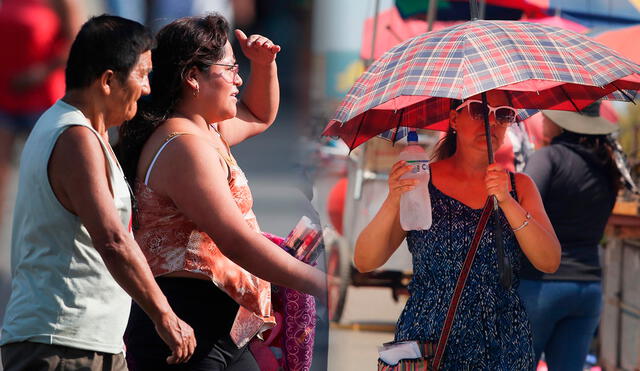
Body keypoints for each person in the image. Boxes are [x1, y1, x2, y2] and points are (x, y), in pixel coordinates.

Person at [117, 14, 325, 370]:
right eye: (230, 68)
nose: (238, 78)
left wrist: (265, 65)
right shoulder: (184, 146)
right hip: (184, 326)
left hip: (219, 327)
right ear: (193, 77)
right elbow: (236, 241)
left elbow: (260, 115)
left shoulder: (204, 131)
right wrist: (325, 284)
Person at [0, 15, 197, 370]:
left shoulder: (81, 132)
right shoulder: (75, 138)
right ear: (108, 80)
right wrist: (165, 316)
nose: (148, 87)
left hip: (84, 341)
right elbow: (113, 240)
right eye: (142, 74)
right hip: (63, 344)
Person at [354, 91, 561, 369]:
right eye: (478, 110)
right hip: (429, 341)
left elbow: (549, 261)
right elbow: (366, 260)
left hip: (502, 344)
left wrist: (507, 200)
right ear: (453, 118)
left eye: (503, 115)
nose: (491, 122)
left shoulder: (519, 187)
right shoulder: (420, 179)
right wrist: (394, 199)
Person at [518, 102, 622, 371]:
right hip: (588, 287)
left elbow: (522, 211)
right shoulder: (607, 167)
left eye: (549, 115)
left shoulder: (547, 158)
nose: (542, 120)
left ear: (562, 123)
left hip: (541, 284)